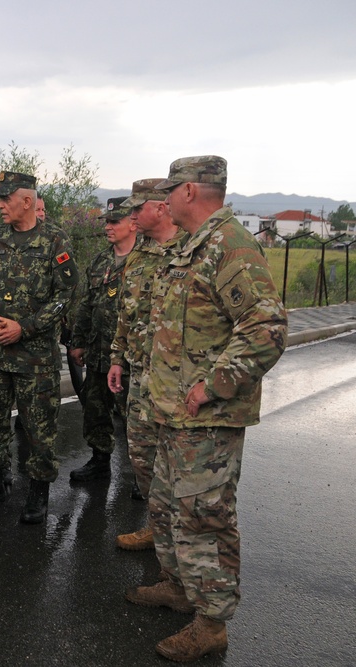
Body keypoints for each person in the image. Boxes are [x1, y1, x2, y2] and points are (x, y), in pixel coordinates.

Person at [123, 156, 287, 662]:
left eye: (171, 190)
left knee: (205, 517)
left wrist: (214, 384)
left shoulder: (229, 245)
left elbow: (267, 329)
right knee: (171, 508)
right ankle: (178, 586)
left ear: (190, 191)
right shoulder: (194, 246)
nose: (164, 200)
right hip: (171, 412)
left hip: (207, 418)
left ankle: (211, 622)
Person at [0, 171, 78, 525]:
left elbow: (65, 295)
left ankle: (39, 492)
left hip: (35, 359)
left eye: (4, 200)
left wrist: (24, 328)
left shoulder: (55, 241)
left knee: (39, 428)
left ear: (26, 201)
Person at [108, 178, 185, 551]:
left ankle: (180, 542)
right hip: (139, 374)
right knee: (142, 459)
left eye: (139, 208)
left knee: (176, 468)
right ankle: (157, 529)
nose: (133, 215)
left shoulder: (189, 251)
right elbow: (126, 313)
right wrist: (117, 358)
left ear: (162, 207)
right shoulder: (138, 256)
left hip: (176, 382)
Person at [68, 198, 137, 482]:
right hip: (98, 351)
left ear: (133, 223)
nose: (108, 227)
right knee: (96, 409)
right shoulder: (101, 261)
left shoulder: (146, 261)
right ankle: (99, 460)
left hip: (131, 357)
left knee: (134, 417)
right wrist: (78, 340)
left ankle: (140, 475)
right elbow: (87, 303)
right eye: (106, 222)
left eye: (114, 222)